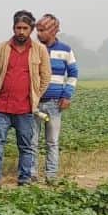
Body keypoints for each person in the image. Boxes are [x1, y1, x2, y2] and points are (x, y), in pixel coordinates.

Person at [0, 10, 51, 189]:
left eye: (25, 28)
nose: (21, 31)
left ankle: (24, 180)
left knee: (26, 146)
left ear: (31, 29)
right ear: (13, 28)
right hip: (2, 106)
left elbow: (45, 76)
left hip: (25, 107)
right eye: (18, 27)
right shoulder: (2, 48)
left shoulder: (40, 50)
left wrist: (35, 96)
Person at [34, 14, 79, 182]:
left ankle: (51, 176)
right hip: (35, 103)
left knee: (52, 142)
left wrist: (67, 95)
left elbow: (73, 73)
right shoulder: (34, 49)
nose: (38, 34)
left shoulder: (65, 50)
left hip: (55, 103)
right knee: (32, 142)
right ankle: (31, 175)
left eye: (42, 30)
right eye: (37, 30)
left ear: (52, 31)